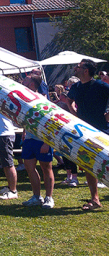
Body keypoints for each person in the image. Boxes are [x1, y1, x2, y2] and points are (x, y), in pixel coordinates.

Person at [65, 59, 109, 211]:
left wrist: (107, 116)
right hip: (84, 131)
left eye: (78, 66)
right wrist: (75, 114)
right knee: (89, 165)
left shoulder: (101, 85)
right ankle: (95, 199)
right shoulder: (76, 87)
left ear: (85, 70)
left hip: (102, 130)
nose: (75, 68)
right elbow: (68, 100)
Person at [20, 75, 55, 208]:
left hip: (42, 140)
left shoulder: (42, 99)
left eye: (27, 79)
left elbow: (50, 121)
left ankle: (49, 198)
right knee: (30, 168)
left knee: (46, 168)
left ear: (32, 84)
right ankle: (36, 197)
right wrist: (24, 131)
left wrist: (47, 142)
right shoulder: (25, 98)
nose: (23, 80)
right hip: (29, 139)